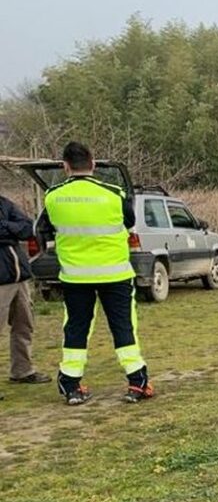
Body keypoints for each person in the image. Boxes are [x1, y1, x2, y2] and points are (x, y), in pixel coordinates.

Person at [37, 142, 152, 405]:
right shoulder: (113, 194)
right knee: (123, 328)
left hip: (75, 277)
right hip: (115, 275)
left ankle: (70, 385)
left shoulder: (53, 197)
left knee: (76, 328)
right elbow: (130, 221)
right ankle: (137, 382)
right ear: (93, 163)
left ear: (65, 166)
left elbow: (46, 227)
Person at [0, 193, 51, 400]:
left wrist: (6, 227)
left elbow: (28, 228)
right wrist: (11, 229)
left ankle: (22, 370)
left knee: (24, 324)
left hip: (19, 276)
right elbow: (17, 230)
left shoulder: (4, 203)